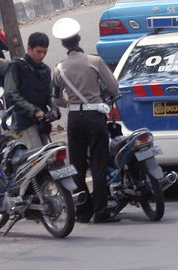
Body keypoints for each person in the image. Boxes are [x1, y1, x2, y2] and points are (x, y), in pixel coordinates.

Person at [51, 18, 120, 224]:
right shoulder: (95, 61)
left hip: (74, 119)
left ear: (63, 44)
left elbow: (55, 98)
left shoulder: (59, 68)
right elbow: (114, 87)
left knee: (77, 164)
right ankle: (100, 211)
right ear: (79, 39)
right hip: (94, 117)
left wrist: (70, 103)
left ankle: (82, 212)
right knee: (98, 163)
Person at [4, 32, 60, 149]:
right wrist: (34, 110)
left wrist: (54, 109)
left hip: (42, 122)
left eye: (45, 52)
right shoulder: (16, 67)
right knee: (37, 158)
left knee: (51, 156)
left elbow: (50, 95)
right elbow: (11, 94)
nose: (42, 56)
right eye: (38, 52)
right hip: (24, 123)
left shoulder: (45, 70)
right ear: (29, 48)